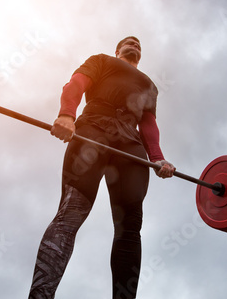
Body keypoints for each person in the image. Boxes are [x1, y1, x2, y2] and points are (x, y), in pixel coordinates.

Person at [29, 36, 175, 299]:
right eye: (129, 42)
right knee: (72, 211)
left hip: (130, 146)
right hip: (93, 131)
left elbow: (149, 125)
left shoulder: (149, 86)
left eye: (139, 44)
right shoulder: (101, 60)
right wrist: (66, 114)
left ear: (140, 56)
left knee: (130, 227)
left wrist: (158, 157)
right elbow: (76, 84)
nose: (135, 44)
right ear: (117, 50)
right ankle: (40, 296)